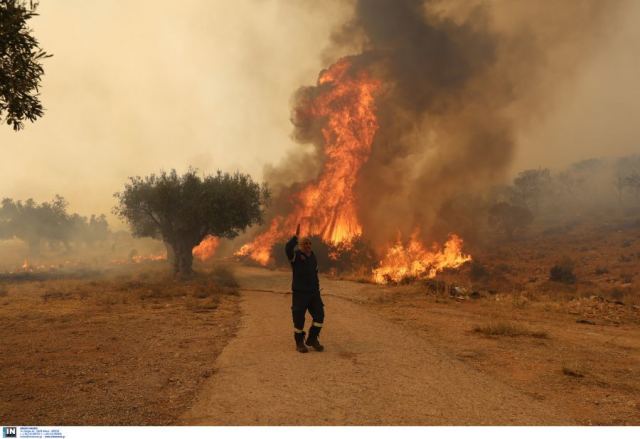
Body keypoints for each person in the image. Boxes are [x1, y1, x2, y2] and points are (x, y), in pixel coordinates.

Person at [284, 224, 325, 353]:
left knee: (319, 316)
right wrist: (295, 238)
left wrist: (317, 289)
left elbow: (315, 274)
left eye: (309, 243)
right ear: (300, 245)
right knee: (299, 318)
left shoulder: (313, 256)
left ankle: (312, 339)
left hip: (313, 293)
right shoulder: (295, 256)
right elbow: (288, 248)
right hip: (300, 294)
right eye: (304, 243)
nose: (307, 245)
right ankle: (299, 342)